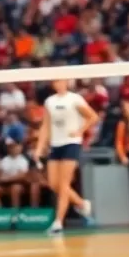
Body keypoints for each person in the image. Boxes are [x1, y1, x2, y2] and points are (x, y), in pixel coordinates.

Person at [37, 79, 97, 236]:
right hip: (55, 144)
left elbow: (93, 117)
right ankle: (81, 203)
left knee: (64, 184)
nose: (58, 84)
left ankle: (58, 222)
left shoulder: (75, 99)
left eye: (60, 81)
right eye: (55, 81)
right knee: (53, 184)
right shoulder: (49, 101)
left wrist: (80, 131)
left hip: (71, 143)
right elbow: (46, 125)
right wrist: (39, 147)